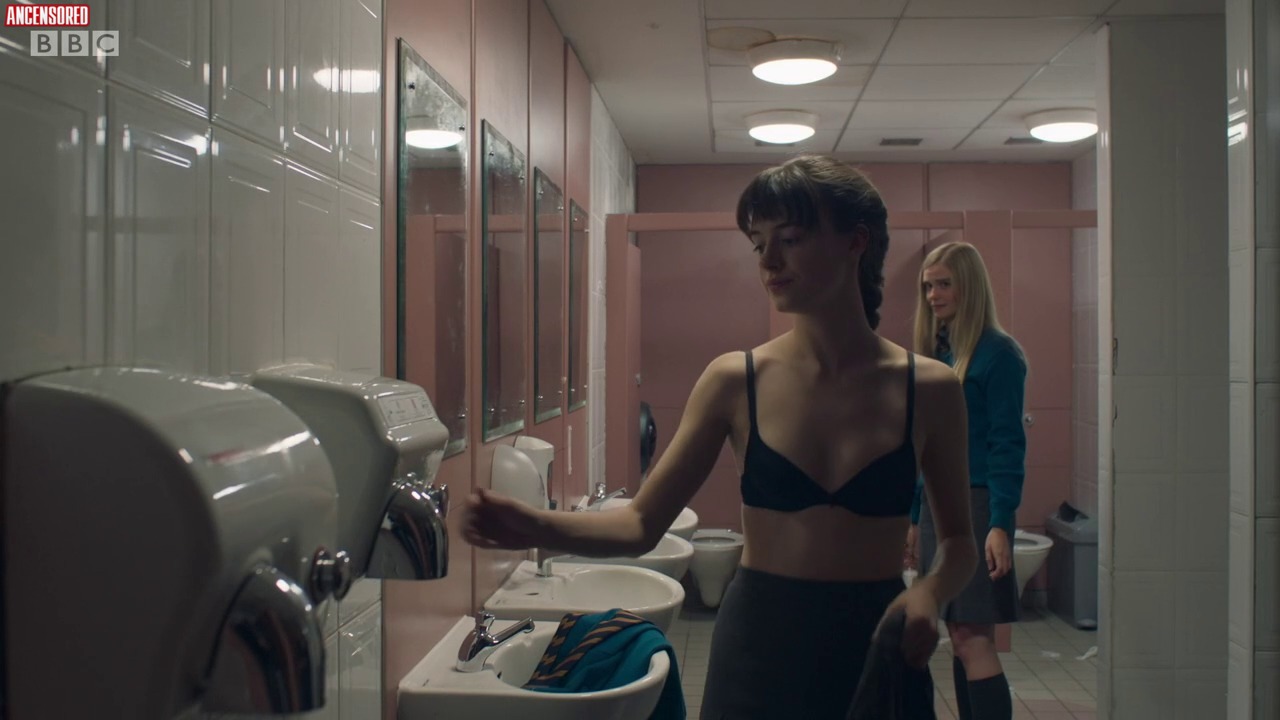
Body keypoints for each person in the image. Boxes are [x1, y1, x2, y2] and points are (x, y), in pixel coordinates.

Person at [463, 155, 978, 719]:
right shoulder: (735, 380)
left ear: (857, 241)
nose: (770, 261)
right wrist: (532, 526)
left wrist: (928, 592)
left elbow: (958, 542)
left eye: (791, 239)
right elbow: (640, 525)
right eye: (759, 245)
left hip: (880, 643)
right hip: (761, 646)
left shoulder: (930, 388)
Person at [905, 242, 1028, 720]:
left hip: (976, 506)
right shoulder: (942, 352)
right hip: (940, 507)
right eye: (928, 286)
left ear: (969, 288)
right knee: (958, 636)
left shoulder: (998, 354)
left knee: (973, 638)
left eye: (944, 284)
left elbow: (1007, 445)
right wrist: (915, 516)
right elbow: (926, 448)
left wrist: (1000, 523)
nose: (933, 295)